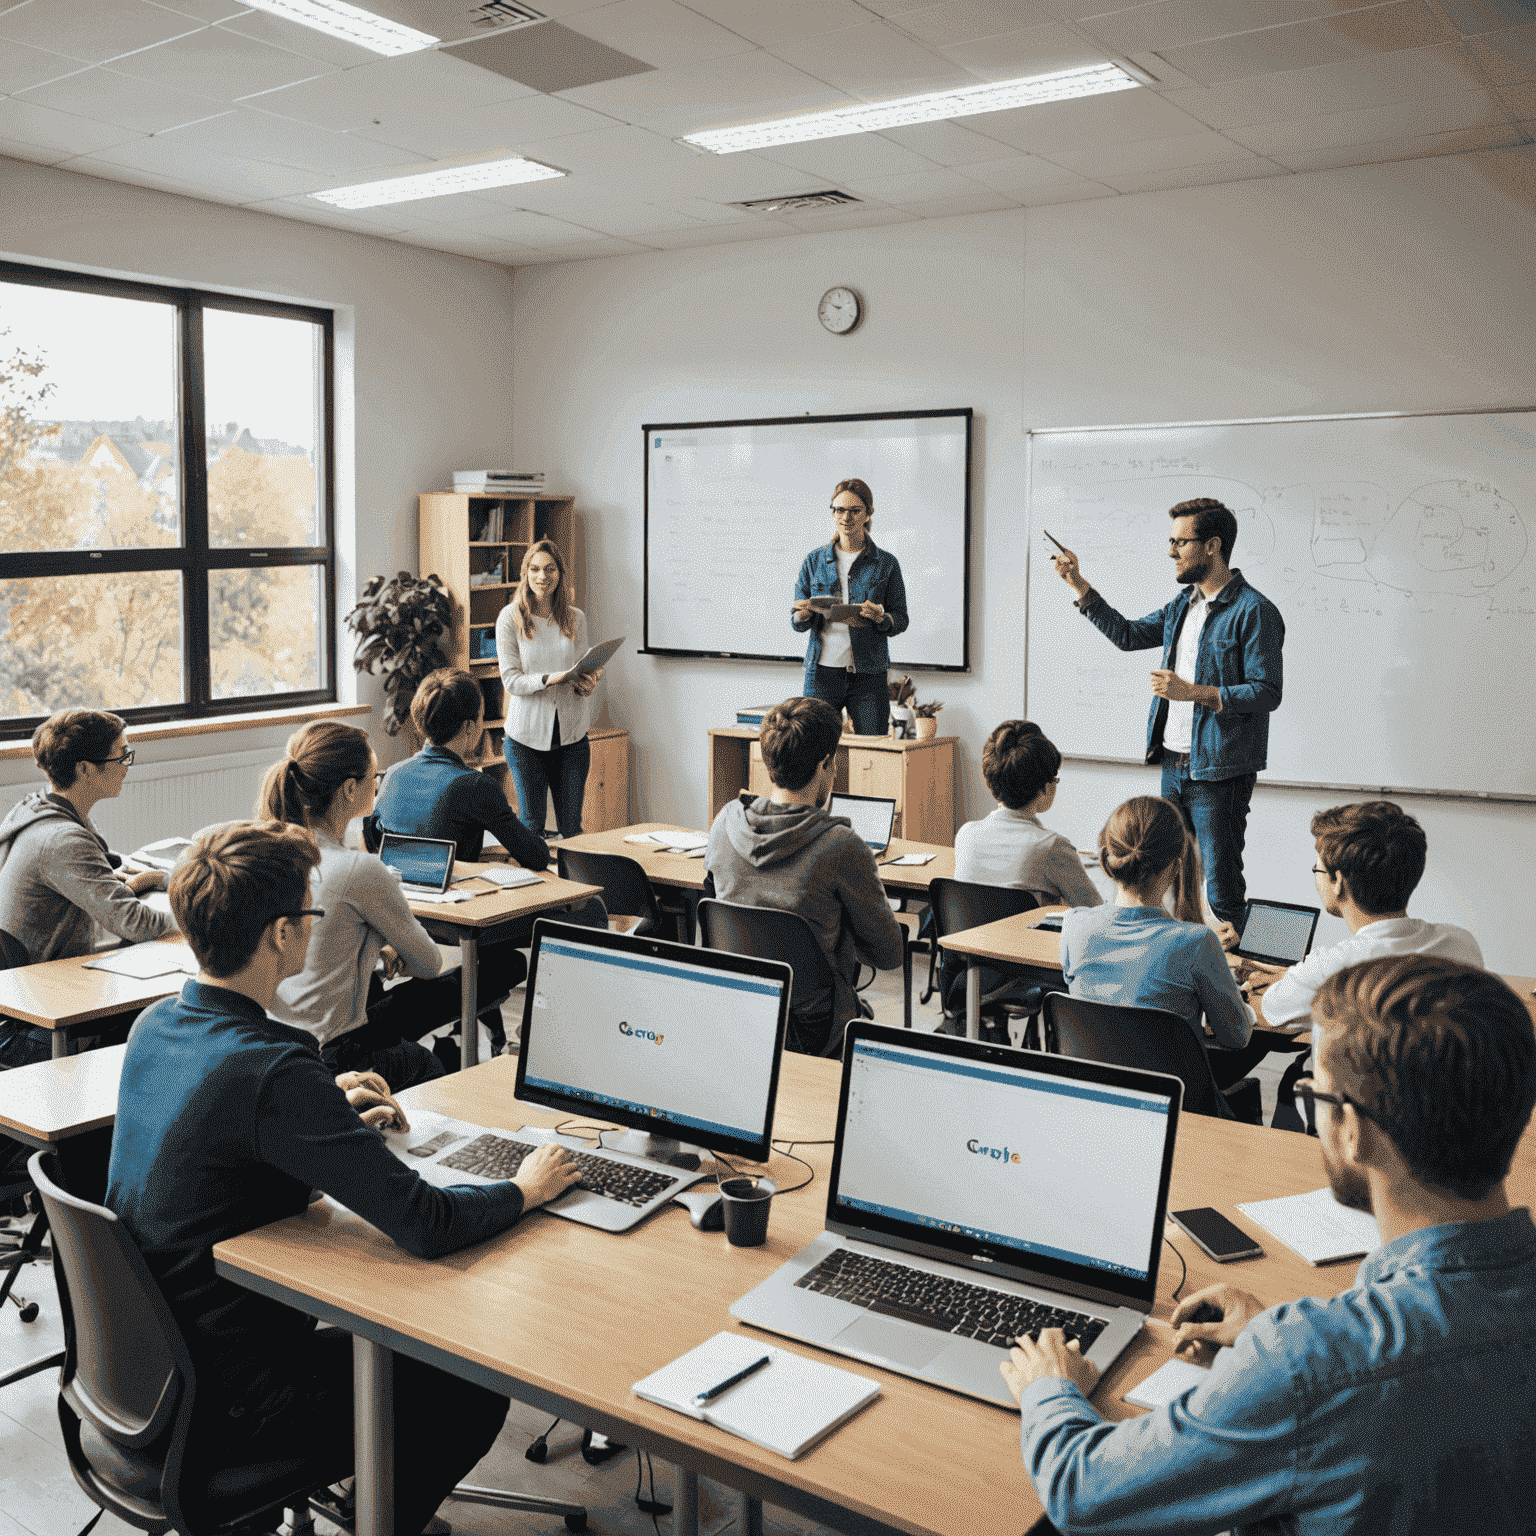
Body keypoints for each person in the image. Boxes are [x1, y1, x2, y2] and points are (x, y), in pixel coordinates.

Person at [106, 821, 582, 1536]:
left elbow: (229, 1139)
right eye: (308, 913)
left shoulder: (156, 1025)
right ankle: (382, 1520)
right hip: (235, 1400)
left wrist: (323, 1113)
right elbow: (426, 1224)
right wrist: (528, 1186)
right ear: (280, 935)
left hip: (150, 1369)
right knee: (466, 1387)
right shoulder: (271, 1073)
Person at [1001, 953, 1536, 1534]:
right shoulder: (1321, 1352)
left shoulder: (1312, 1358)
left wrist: (1049, 1387)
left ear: (1353, 1130)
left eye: (1316, 1095)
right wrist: (1271, 1334)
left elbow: (1082, 1494)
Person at [1050, 498, 1284, 926]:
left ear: (1212, 545)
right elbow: (1126, 634)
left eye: (1181, 541)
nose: (1172, 551)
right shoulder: (1183, 605)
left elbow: (1267, 691)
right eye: (1171, 541)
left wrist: (1194, 692)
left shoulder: (1254, 611)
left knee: (1221, 884)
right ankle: (1178, 961)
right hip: (1173, 764)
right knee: (1166, 875)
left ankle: (1239, 977)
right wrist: (1078, 584)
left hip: (1220, 770)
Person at [373, 668, 605, 1054]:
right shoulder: (472, 784)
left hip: (413, 913)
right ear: (469, 726)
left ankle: (497, 1036)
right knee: (590, 911)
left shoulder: (393, 775)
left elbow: (377, 839)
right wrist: (503, 830)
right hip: (462, 924)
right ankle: (563, 1040)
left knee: (502, 956)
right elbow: (533, 854)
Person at [258, 720, 466, 1091]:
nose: (379, 783)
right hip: (336, 1055)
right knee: (427, 1064)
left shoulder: (271, 852)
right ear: (350, 789)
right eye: (375, 775)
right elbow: (428, 963)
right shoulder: (360, 869)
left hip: (275, 1042)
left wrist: (371, 949)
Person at [705, 696, 903, 1054]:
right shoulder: (841, 846)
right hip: (816, 1028)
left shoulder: (724, 821)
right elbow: (888, 954)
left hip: (740, 1011)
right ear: (826, 764)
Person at [1061, 796, 1261, 1099]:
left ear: (1106, 861)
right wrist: (1240, 1000)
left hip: (1094, 1102)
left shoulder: (1074, 926)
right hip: (1177, 1111)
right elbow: (1236, 1038)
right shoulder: (1197, 942)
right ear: (1176, 867)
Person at [1247, 799, 1483, 1028]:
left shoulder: (1332, 969)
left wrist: (1297, 980)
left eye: (1316, 869)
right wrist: (1295, 977)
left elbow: (1270, 1010)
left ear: (1338, 881)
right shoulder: (1460, 944)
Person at [0, 707, 175, 962]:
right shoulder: (63, 840)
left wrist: (153, 880)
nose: (127, 767)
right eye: (122, 757)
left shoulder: (40, 807)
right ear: (85, 769)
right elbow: (138, 924)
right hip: (44, 982)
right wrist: (192, 909)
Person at [496, 539, 603, 841]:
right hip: (525, 739)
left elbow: (583, 666)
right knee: (531, 828)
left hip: (572, 736)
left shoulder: (575, 617)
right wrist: (550, 679)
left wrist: (588, 683)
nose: (542, 577)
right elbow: (511, 680)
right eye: (535, 569)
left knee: (572, 830)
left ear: (560, 574)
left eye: (550, 569)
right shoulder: (510, 617)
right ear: (525, 573)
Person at [791, 478, 909, 737]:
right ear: (832, 512)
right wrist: (803, 614)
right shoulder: (814, 561)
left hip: (869, 677)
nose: (846, 517)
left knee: (872, 752)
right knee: (813, 749)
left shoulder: (886, 563)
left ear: (868, 513)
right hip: (821, 675)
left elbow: (900, 618)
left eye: (855, 510)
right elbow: (797, 620)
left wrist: (882, 618)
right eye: (839, 510)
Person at [954, 721, 1101, 907]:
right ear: (1046, 787)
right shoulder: (1051, 846)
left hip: (966, 937)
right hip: (1027, 937)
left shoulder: (966, 835)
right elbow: (1095, 911)